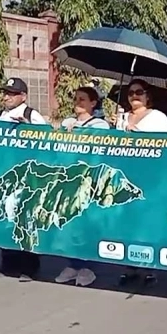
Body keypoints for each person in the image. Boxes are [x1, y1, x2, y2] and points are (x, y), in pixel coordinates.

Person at [114, 79, 167, 285]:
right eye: (130, 93)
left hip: (151, 178)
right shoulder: (121, 117)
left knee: (147, 222)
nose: (134, 96)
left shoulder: (158, 117)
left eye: (139, 92)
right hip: (125, 177)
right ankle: (129, 265)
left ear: (148, 95)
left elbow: (166, 146)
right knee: (127, 221)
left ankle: (150, 266)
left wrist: (136, 132)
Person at [0, 77, 47, 282]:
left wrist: (30, 130)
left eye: (11, 94)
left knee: (26, 219)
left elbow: (47, 141)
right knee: (5, 217)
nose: (6, 97)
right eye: (5, 93)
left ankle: (29, 266)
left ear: (23, 96)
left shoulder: (31, 115)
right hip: (4, 176)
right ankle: (8, 262)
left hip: (27, 178)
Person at [54, 87, 110, 287]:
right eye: (76, 98)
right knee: (71, 223)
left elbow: (98, 149)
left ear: (93, 103)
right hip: (69, 179)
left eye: (83, 99)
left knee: (87, 223)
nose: (78, 102)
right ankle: (73, 264)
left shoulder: (100, 125)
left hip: (89, 180)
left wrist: (77, 135)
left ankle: (89, 266)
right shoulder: (68, 122)